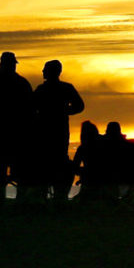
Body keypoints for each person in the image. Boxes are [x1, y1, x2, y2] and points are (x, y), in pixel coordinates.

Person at [33, 59, 85, 200]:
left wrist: (63, 111)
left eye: (45, 69)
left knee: (50, 162)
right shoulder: (60, 88)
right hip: (52, 132)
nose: (43, 72)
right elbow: (79, 106)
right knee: (53, 162)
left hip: (51, 132)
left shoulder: (43, 90)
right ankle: (54, 196)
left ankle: (52, 196)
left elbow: (79, 106)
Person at [0, 51, 34, 199]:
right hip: (16, 134)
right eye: (13, 64)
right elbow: (30, 109)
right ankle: (18, 199)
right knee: (16, 168)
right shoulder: (20, 83)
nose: (14, 66)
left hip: (4, 134)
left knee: (3, 166)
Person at [72, 120, 111, 201]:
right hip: (106, 177)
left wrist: (83, 171)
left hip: (90, 179)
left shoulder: (83, 148)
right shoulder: (105, 143)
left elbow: (75, 167)